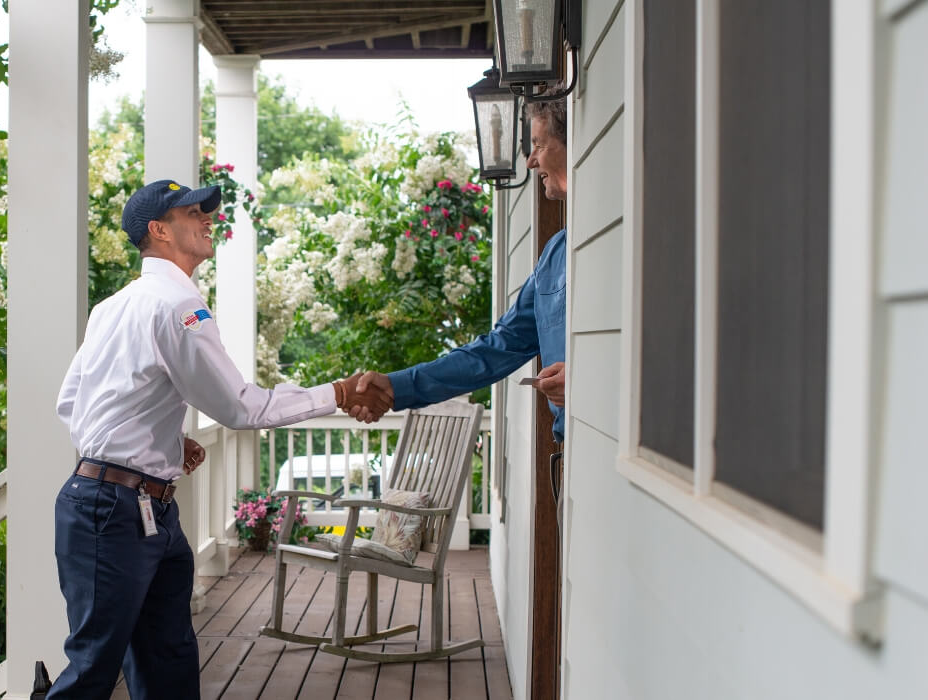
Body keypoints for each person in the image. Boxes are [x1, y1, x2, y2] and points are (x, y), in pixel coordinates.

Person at [49, 179, 391, 699]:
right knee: (95, 669)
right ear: (159, 230)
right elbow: (241, 407)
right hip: (114, 512)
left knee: (168, 661)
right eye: (192, 213)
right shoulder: (180, 307)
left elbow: (72, 403)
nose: (208, 219)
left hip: (138, 508)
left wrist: (162, 437)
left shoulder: (112, 306)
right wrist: (339, 392)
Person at [347, 94, 569, 440]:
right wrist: (396, 386)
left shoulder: (628, 237)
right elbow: (498, 348)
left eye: (539, 144)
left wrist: (589, 380)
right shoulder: (555, 254)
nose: (530, 162)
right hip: (570, 465)